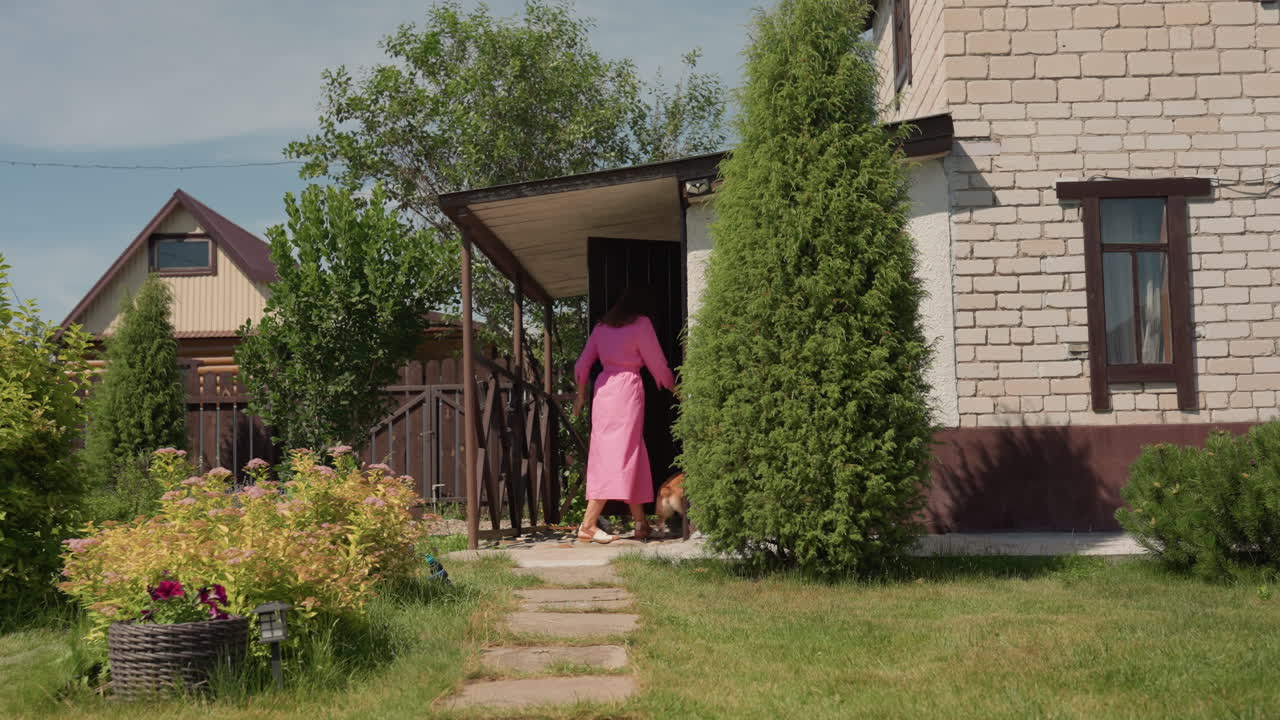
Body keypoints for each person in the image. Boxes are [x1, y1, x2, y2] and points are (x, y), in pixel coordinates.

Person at [571, 287, 676, 544]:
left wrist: (581, 397)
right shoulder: (641, 324)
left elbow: (582, 365)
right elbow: (658, 364)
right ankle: (588, 523)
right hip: (627, 393)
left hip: (603, 392)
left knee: (629, 454)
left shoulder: (601, 327)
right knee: (619, 455)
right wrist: (678, 390)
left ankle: (641, 524)